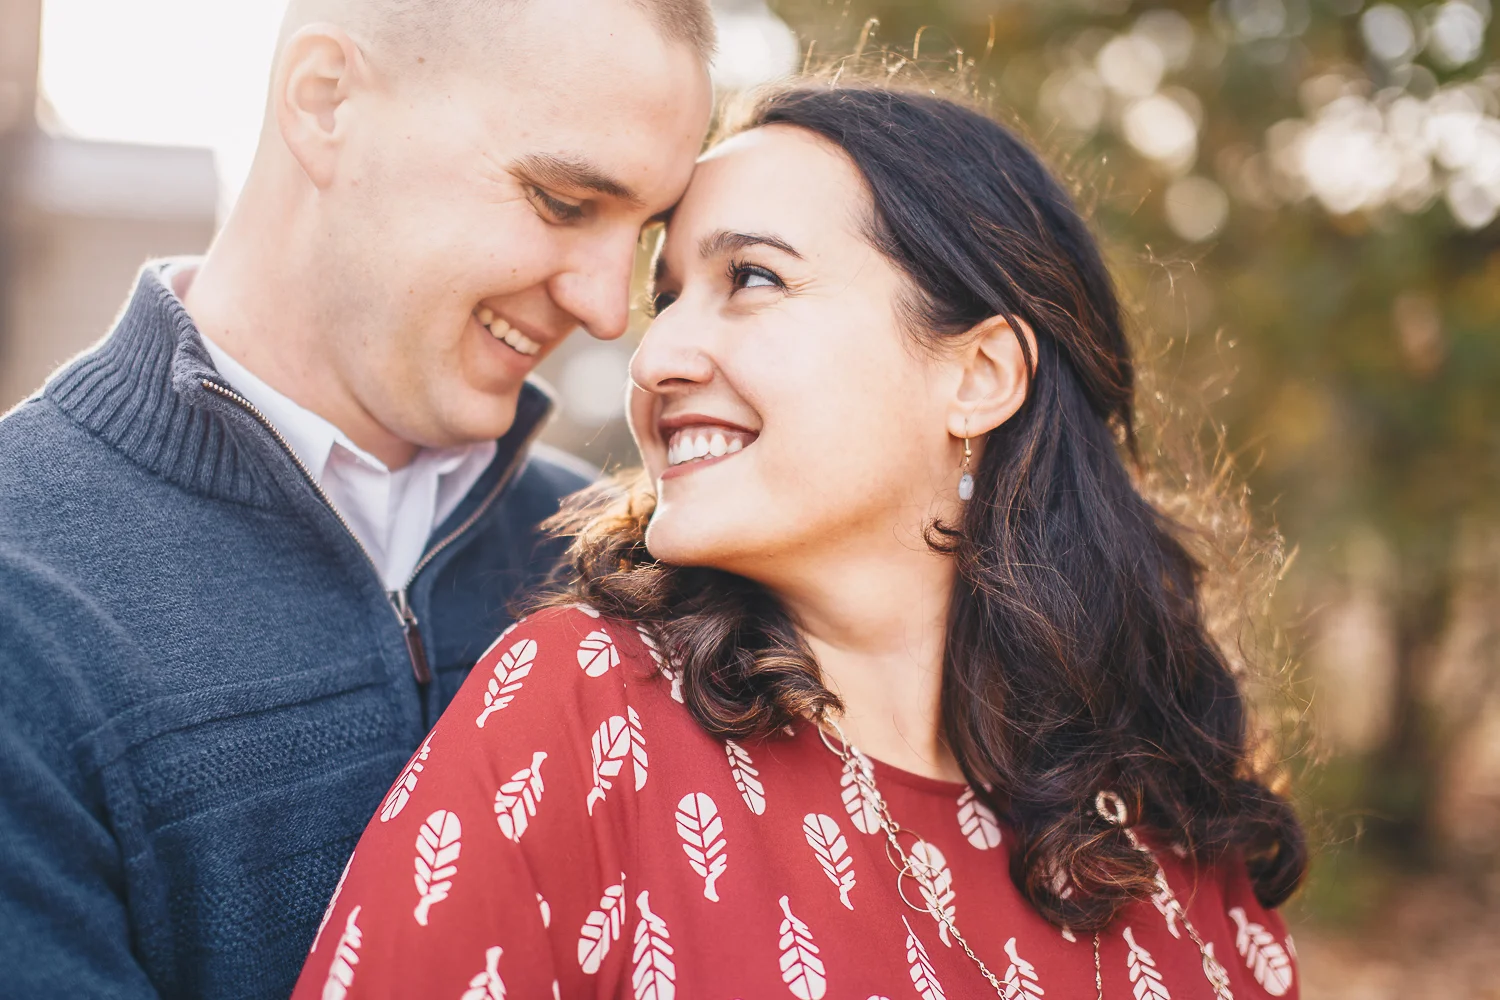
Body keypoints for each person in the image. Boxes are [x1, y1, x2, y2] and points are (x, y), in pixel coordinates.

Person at [290, 84, 1307, 1000]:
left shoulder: (1163, 818)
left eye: (754, 278)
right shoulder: (586, 721)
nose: (657, 356)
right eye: (668, 298)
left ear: (981, 375)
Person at [0, 0, 713, 996]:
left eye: (642, 237)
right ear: (324, 101)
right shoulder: (22, 599)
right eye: (561, 201)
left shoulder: (619, 564)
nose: (606, 308)